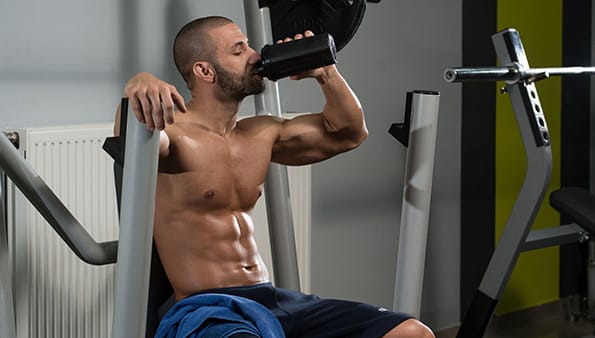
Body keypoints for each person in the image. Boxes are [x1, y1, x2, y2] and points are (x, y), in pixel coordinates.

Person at [116, 15, 435, 338]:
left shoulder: (261, 132)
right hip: (210, 307)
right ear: (204, 71)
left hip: (274, 300)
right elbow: (132, 141)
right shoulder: (174, 134)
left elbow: (350, 132)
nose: (255, 55)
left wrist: (325, 72)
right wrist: (137, 86)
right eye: (239, 51)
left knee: (411, 332)